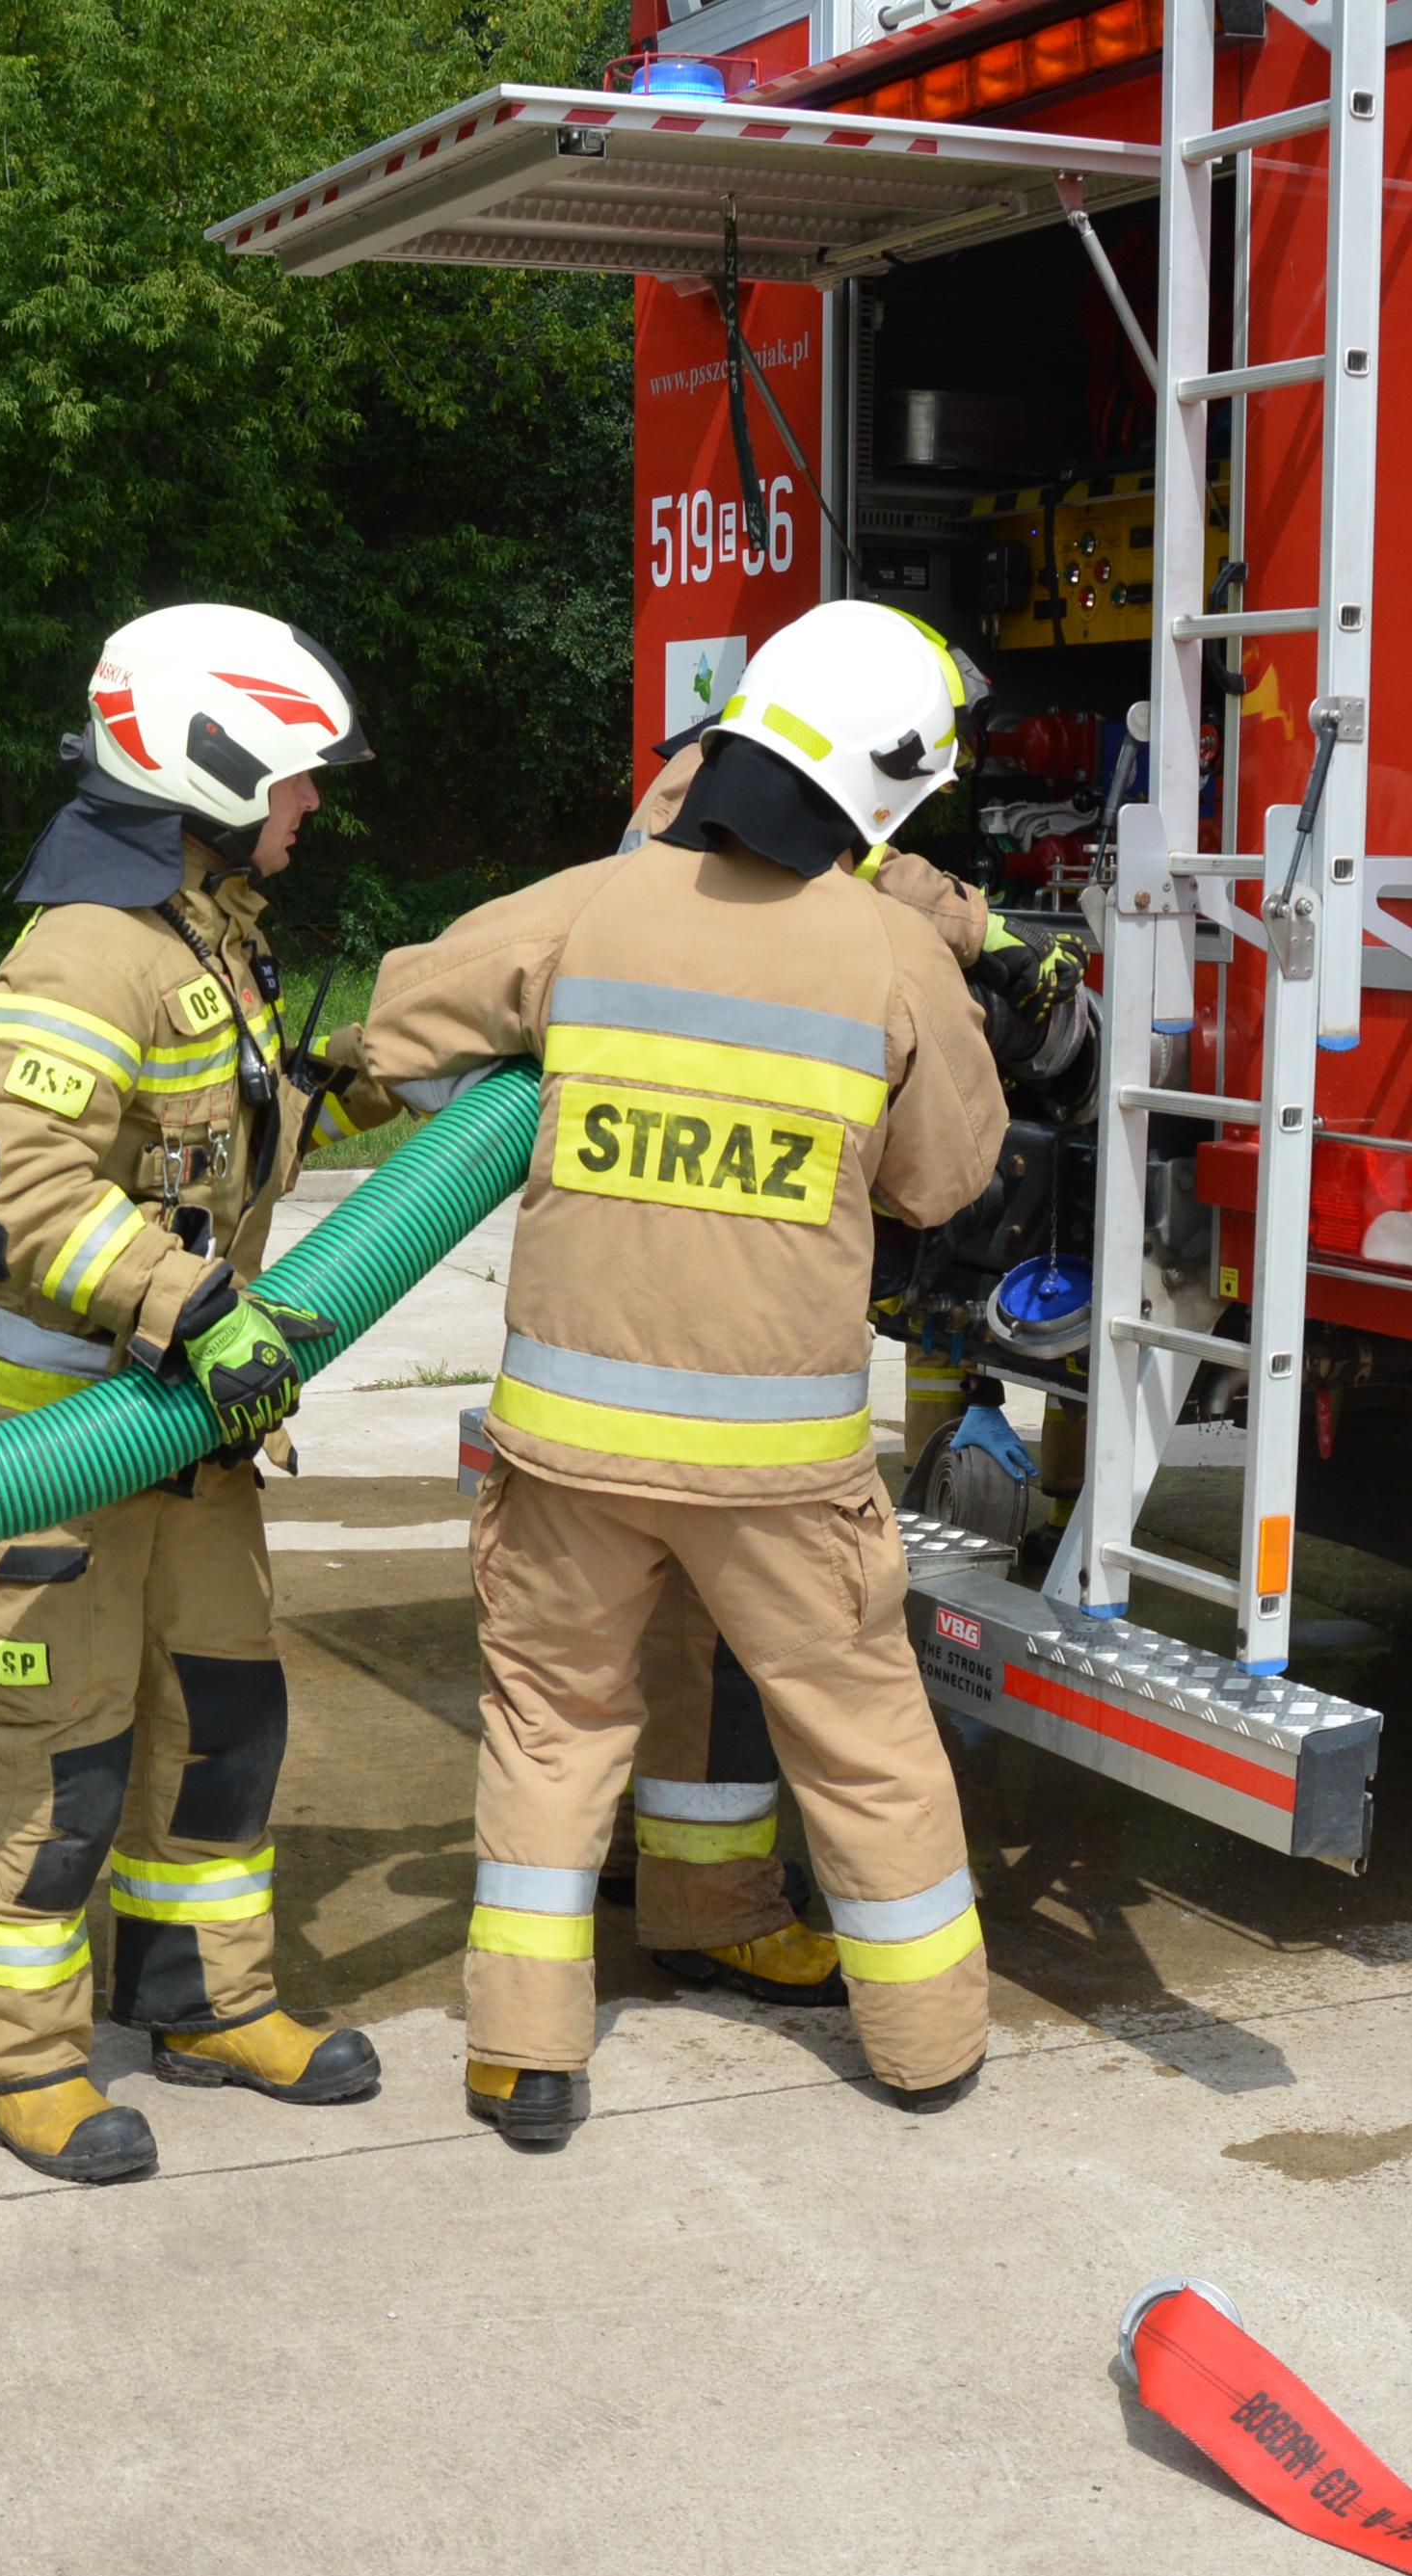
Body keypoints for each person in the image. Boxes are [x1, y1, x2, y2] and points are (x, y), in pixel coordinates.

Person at [362, 600, 1009, 2151]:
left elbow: (398, 1021)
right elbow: (948, 1179)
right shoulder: (889, 955)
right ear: (887, 782)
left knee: (550, 1732)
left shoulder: (592, 906)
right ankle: (925, 2049)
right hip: (777, 1476)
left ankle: (524, 2061)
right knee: (861, 1742)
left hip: (567, 1456)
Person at [0, 601, 387, 2185]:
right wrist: (189, 1306)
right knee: (63, 1756)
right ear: (212, 767)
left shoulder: (204, 934)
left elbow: (222, 1135)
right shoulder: (89, 948)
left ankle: (206, 2005)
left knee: (219, 1719)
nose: (311, 803)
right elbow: (13, 1177)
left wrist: (370, 1082)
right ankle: (16, 2061)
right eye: (296, 774)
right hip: (50, 1443)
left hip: (185, 1434)